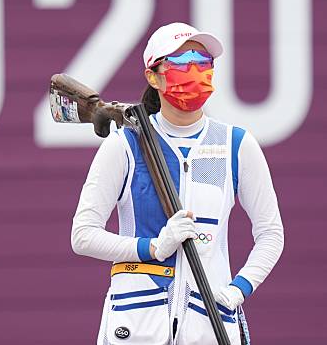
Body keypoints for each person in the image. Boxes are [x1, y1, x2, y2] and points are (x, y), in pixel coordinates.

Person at [70, 22, 284, 344]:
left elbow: (271, 234)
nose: (195, 72)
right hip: (136, 325)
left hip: (210, 323)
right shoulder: (124, 145)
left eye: (204, 63)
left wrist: (239, 289)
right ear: (153, 76)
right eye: (182, 64)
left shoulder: (235, 145)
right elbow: (83, 236)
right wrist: (152, 247)